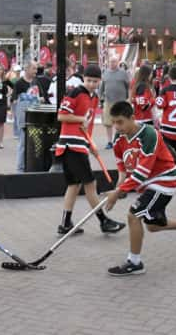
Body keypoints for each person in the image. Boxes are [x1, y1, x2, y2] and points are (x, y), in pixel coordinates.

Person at [102, 101, 176, 276]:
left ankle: (134, 262)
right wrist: (119, 188)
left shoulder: (149, 134)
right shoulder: (118, 139)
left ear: (132, 118)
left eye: (120, 122)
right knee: (152, 225)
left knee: (134, 215)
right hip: (148, 184)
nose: (117, 126)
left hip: (164, 181)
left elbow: (142, 172)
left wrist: (117, 193)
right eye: (113, 122)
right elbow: (123, 169)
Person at [53, 64, 125, 235]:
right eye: (88, 80)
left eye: (95, 81)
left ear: (100, 81)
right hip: (71, 145)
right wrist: (79, 119)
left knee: (74, 185)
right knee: (90, 184)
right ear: (83, 79)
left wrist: (90, 144)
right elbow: (61, 115)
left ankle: (65, 223)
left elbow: (88, 124)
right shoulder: (75, 92)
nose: (91, 83)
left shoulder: (94, 97)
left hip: (80, 144)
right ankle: (104, 221)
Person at [11, 63, 40, 172]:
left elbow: (41, 96)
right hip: (24, 119)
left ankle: (32, 166)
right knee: (23, 143)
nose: (36, 71)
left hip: (36, 117)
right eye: (34, 68)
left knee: (34, 143)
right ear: (27, 69)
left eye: (36, 69)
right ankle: (20, 168)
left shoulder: (36, 82)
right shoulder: (19, 83)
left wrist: (39, 99)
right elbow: (14, 100)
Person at [98, 57, 131, 149]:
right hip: (108, 102)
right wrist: (100, 99)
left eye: (114, 61)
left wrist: (129, 99)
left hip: (121, 102)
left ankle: (121, 141)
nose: (113, 63)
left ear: (118, 62)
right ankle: (109, 142)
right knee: (108, 123)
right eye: (111, 61)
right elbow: (101, 88)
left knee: (122, 122)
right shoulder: (105, 73)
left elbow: (129, 87)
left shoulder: (123, 73)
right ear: (108, 62)